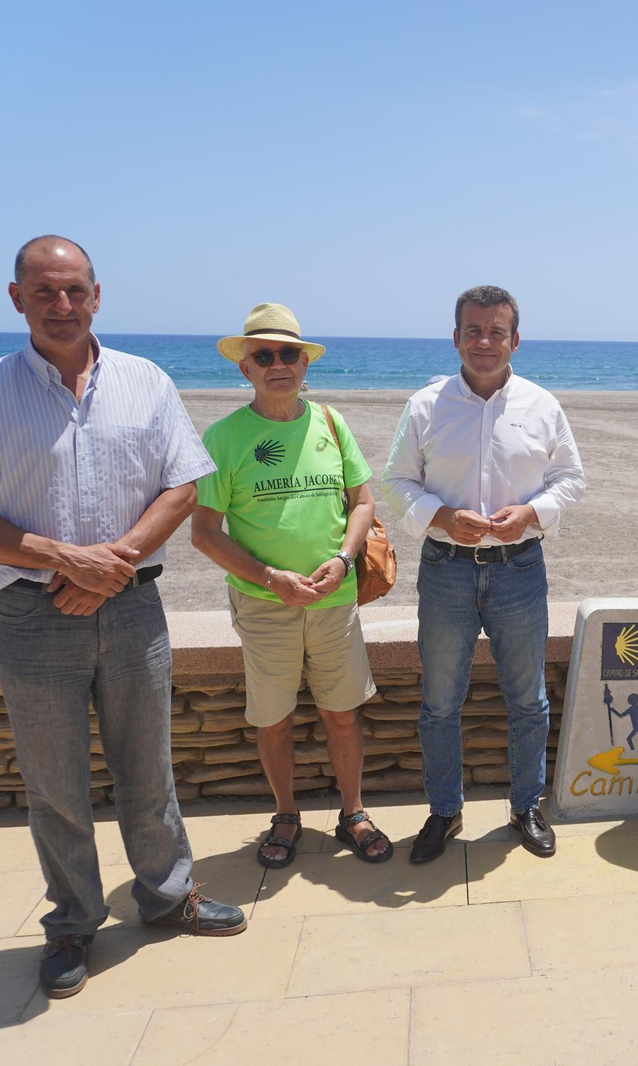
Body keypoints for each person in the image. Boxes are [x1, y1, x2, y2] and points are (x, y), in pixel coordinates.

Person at [0, 236, 247, 1001]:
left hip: (134, 607)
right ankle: (73, 922)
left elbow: (183, 486)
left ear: (98, 295)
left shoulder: (145, 381)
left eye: (75, 290)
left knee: (149, 769)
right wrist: (62, 559)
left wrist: (115, 563)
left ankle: (169, 897)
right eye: (45, 291)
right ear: (17, 299)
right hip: (32, 616)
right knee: (55, 785)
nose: (62, 304)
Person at [383, 285, 585, 861]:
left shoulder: (542, 405)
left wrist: (533, 514)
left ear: (515, 340)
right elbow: (396, 482)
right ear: (455, 338)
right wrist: (441, 515)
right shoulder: (425, 405)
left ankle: (526, 807)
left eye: (497, 331)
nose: (485, 341)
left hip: (520, 569)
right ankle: (444, 813)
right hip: (445, 569)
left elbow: (570, 478)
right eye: (473, 330)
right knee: (439, 704)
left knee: (528, 700)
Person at [191, 303, 389, 868]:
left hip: (336, 601)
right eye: (264, 355)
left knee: (342, 712)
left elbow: (363, 503)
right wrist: (270, 578)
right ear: (245, 368)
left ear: (304, 364)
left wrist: (345, 559)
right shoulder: (223, 437)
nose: (278, 364)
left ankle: (353, 811)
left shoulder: (331, 422)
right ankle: (285, 815)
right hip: (263, 605)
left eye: (289, 354)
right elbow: (204, 533)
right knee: (273, 718)